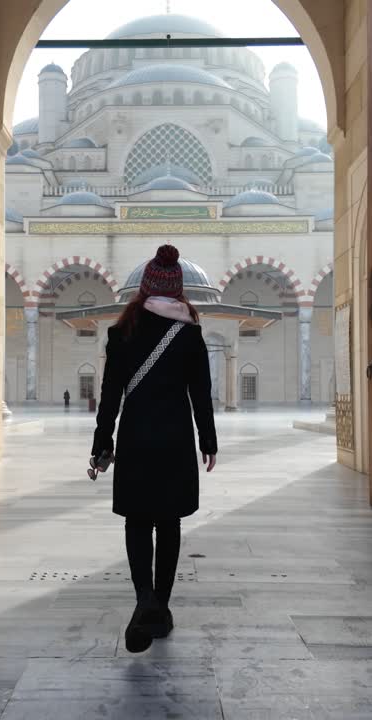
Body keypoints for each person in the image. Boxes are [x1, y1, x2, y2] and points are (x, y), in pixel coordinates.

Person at [90, 244, 218, 653]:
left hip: (136, 438)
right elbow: (201, 393)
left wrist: (101, 440)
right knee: (169, 522)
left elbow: (110, 394)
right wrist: (208, 440)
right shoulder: (191, 333)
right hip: (176, 439)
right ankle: (159, 608)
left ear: (144, 290)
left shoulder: (122, 332)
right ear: (179, 291)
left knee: (137, 521)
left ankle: (144, 598)